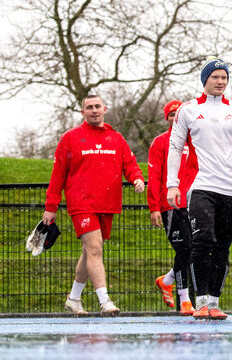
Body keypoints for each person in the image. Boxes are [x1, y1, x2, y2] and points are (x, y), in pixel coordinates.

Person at [166, 56, 232, 320]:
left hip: (229, 189)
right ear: (205, 79)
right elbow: (175, 146)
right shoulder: (187, 110)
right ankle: (201, 302)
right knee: (202, 241)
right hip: (201, 186)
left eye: (224, 77)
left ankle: (215, 302)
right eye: (215, 77)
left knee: (222, 246)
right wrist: (172, 184)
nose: (220, 81)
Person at [44, 95, 145, 317]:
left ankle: (73, 299)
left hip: (107, 204)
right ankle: (105, 301)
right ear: (82, 112)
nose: (94, 110)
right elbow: (58, 173)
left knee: (89, 252)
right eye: (89, 107)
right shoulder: (70, 138)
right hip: (81, 203)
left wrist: (136, 177)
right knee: (95, 249)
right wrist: (51, 205)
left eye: (97, 106)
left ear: (105, 109)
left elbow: (129, 163)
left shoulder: (115, 138)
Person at [147, 99, 196, 316]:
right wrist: (154, 207)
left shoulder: (195, 140)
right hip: (171, 205)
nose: (175, 117)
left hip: (195, 202)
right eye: (171, 114)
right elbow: (154, 175)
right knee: (183, 249)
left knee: (196, 250)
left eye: (179, 113)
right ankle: (185, 300)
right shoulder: (160, 142)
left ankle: (167, 280)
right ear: (167, 118)